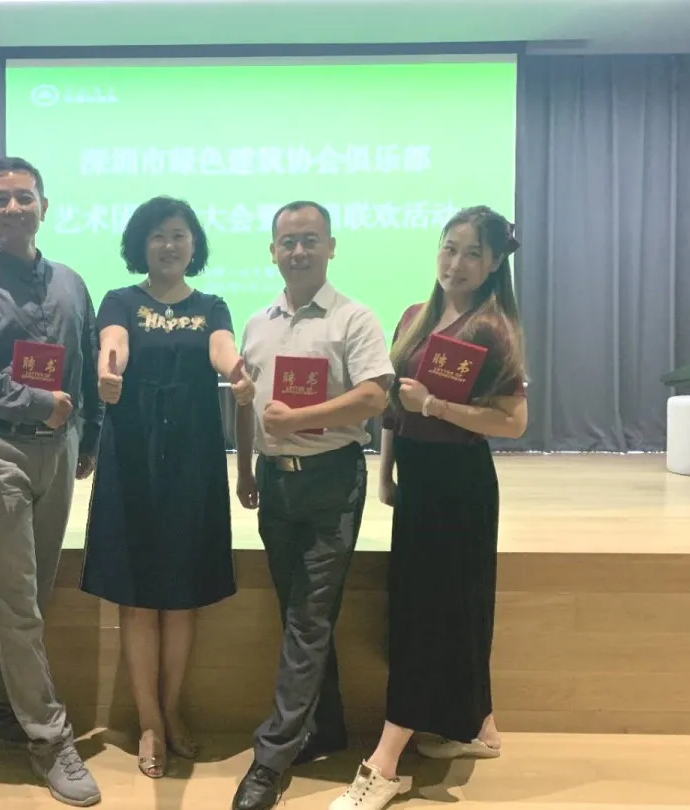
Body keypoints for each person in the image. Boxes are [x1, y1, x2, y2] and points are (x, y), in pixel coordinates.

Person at [329, 206, 528, 810]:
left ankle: (383, 764)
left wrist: (436, 408)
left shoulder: (493, 329)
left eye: (472, 253)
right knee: (435, 605)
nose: (456, 263)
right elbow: (395, 405)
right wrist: (386, 470)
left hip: (460, 486)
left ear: (493, 265)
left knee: (432, 614)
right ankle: (479, 726)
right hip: (417, 481)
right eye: (449, 247)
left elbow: (514, 422)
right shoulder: (415, 317)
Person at [0, 157, 103, 808]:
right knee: (16, 600)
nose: (12, 208)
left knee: (30, 593)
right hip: (0, 450)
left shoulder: (72, 284)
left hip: (60, 450)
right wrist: (34, 403)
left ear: (44, 207)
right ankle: (50, 738)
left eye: (23, 197)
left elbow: (85, 363)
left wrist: (88, 438)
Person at [79, 196, 255, 779]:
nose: (169, 244)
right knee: (136, 596)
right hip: (132, 455)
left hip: (191, 459)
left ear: (193, 244)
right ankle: (150, 721)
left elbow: (221, 349)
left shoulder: (212, 305)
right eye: (158, 235)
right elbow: (115, 346)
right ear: (141, 244)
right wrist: (107, 370)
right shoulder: (120, 300)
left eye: (179, 234)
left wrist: (236, 372)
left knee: (183, 595)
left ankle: (173, 708)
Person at [231, 201, 394, 810]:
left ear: (331, 246)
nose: (297, 251)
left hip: (332, 482)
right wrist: (245, 467)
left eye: (309, 240)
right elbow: (246, 402)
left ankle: (269, 759)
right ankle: (324, 728)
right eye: (287, 241)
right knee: (298, 611)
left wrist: (298, 420)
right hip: (275, 484)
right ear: (272, 250)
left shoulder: (354, 318)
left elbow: (375, 397)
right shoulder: (258, 323)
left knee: (307, 615)